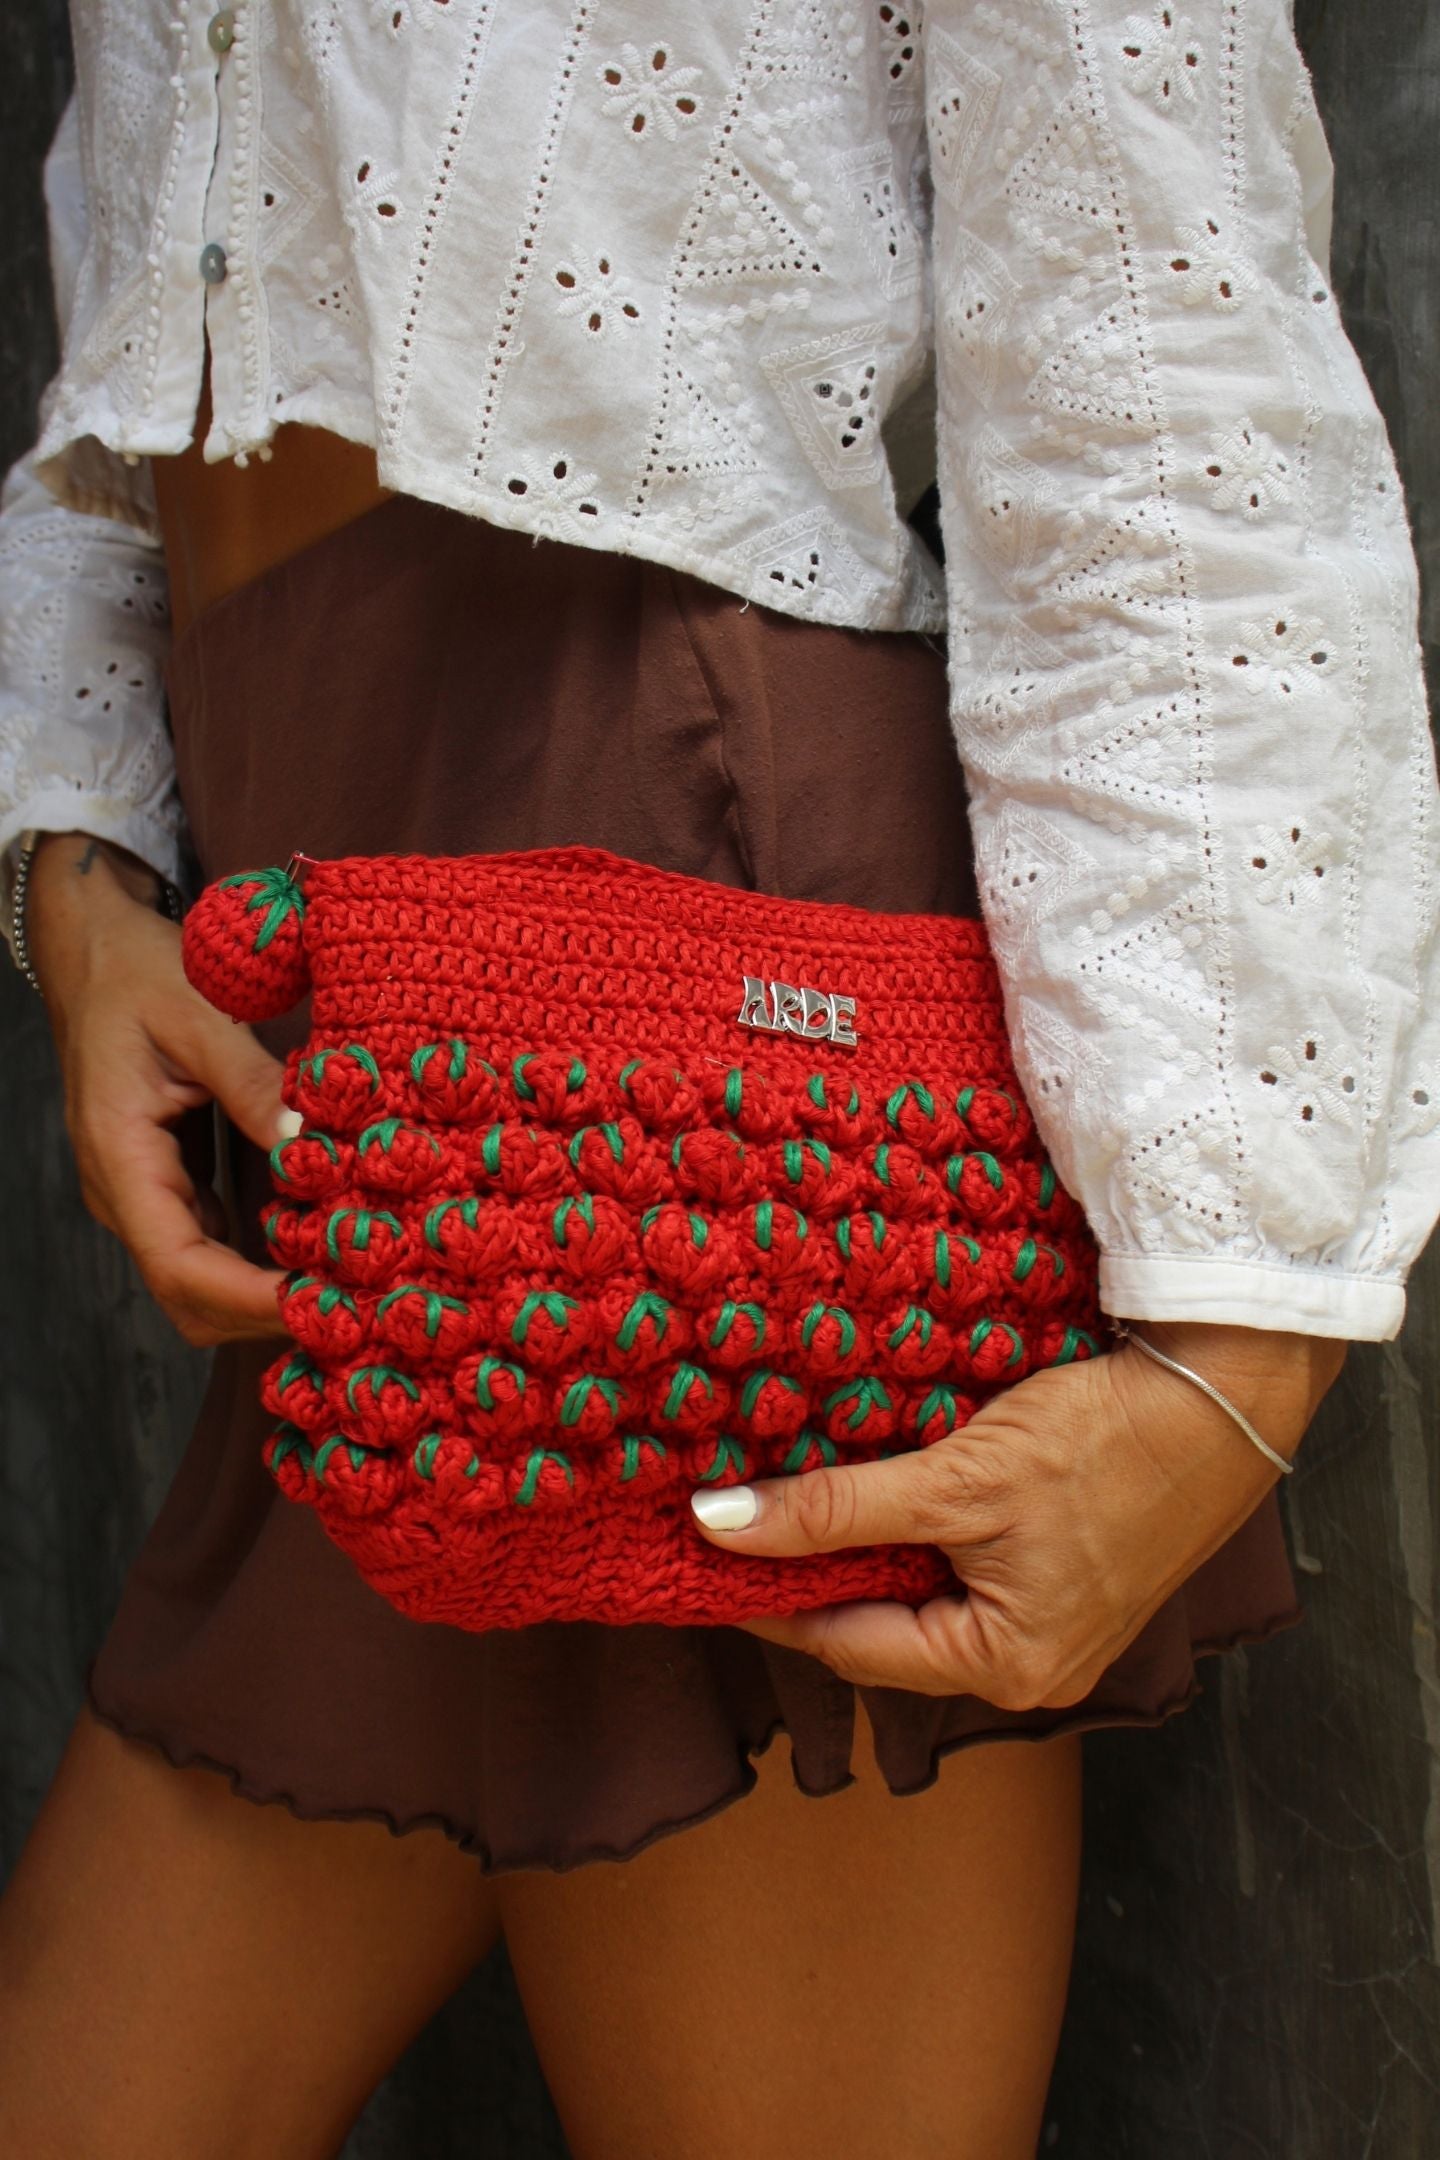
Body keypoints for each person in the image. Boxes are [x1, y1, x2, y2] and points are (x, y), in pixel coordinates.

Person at [0, 4, 1434, 2155]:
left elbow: (1165, 364)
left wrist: (1242, 1358)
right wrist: (77, 858)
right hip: (351, 1020)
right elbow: (145, 320)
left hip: (701, 1038)